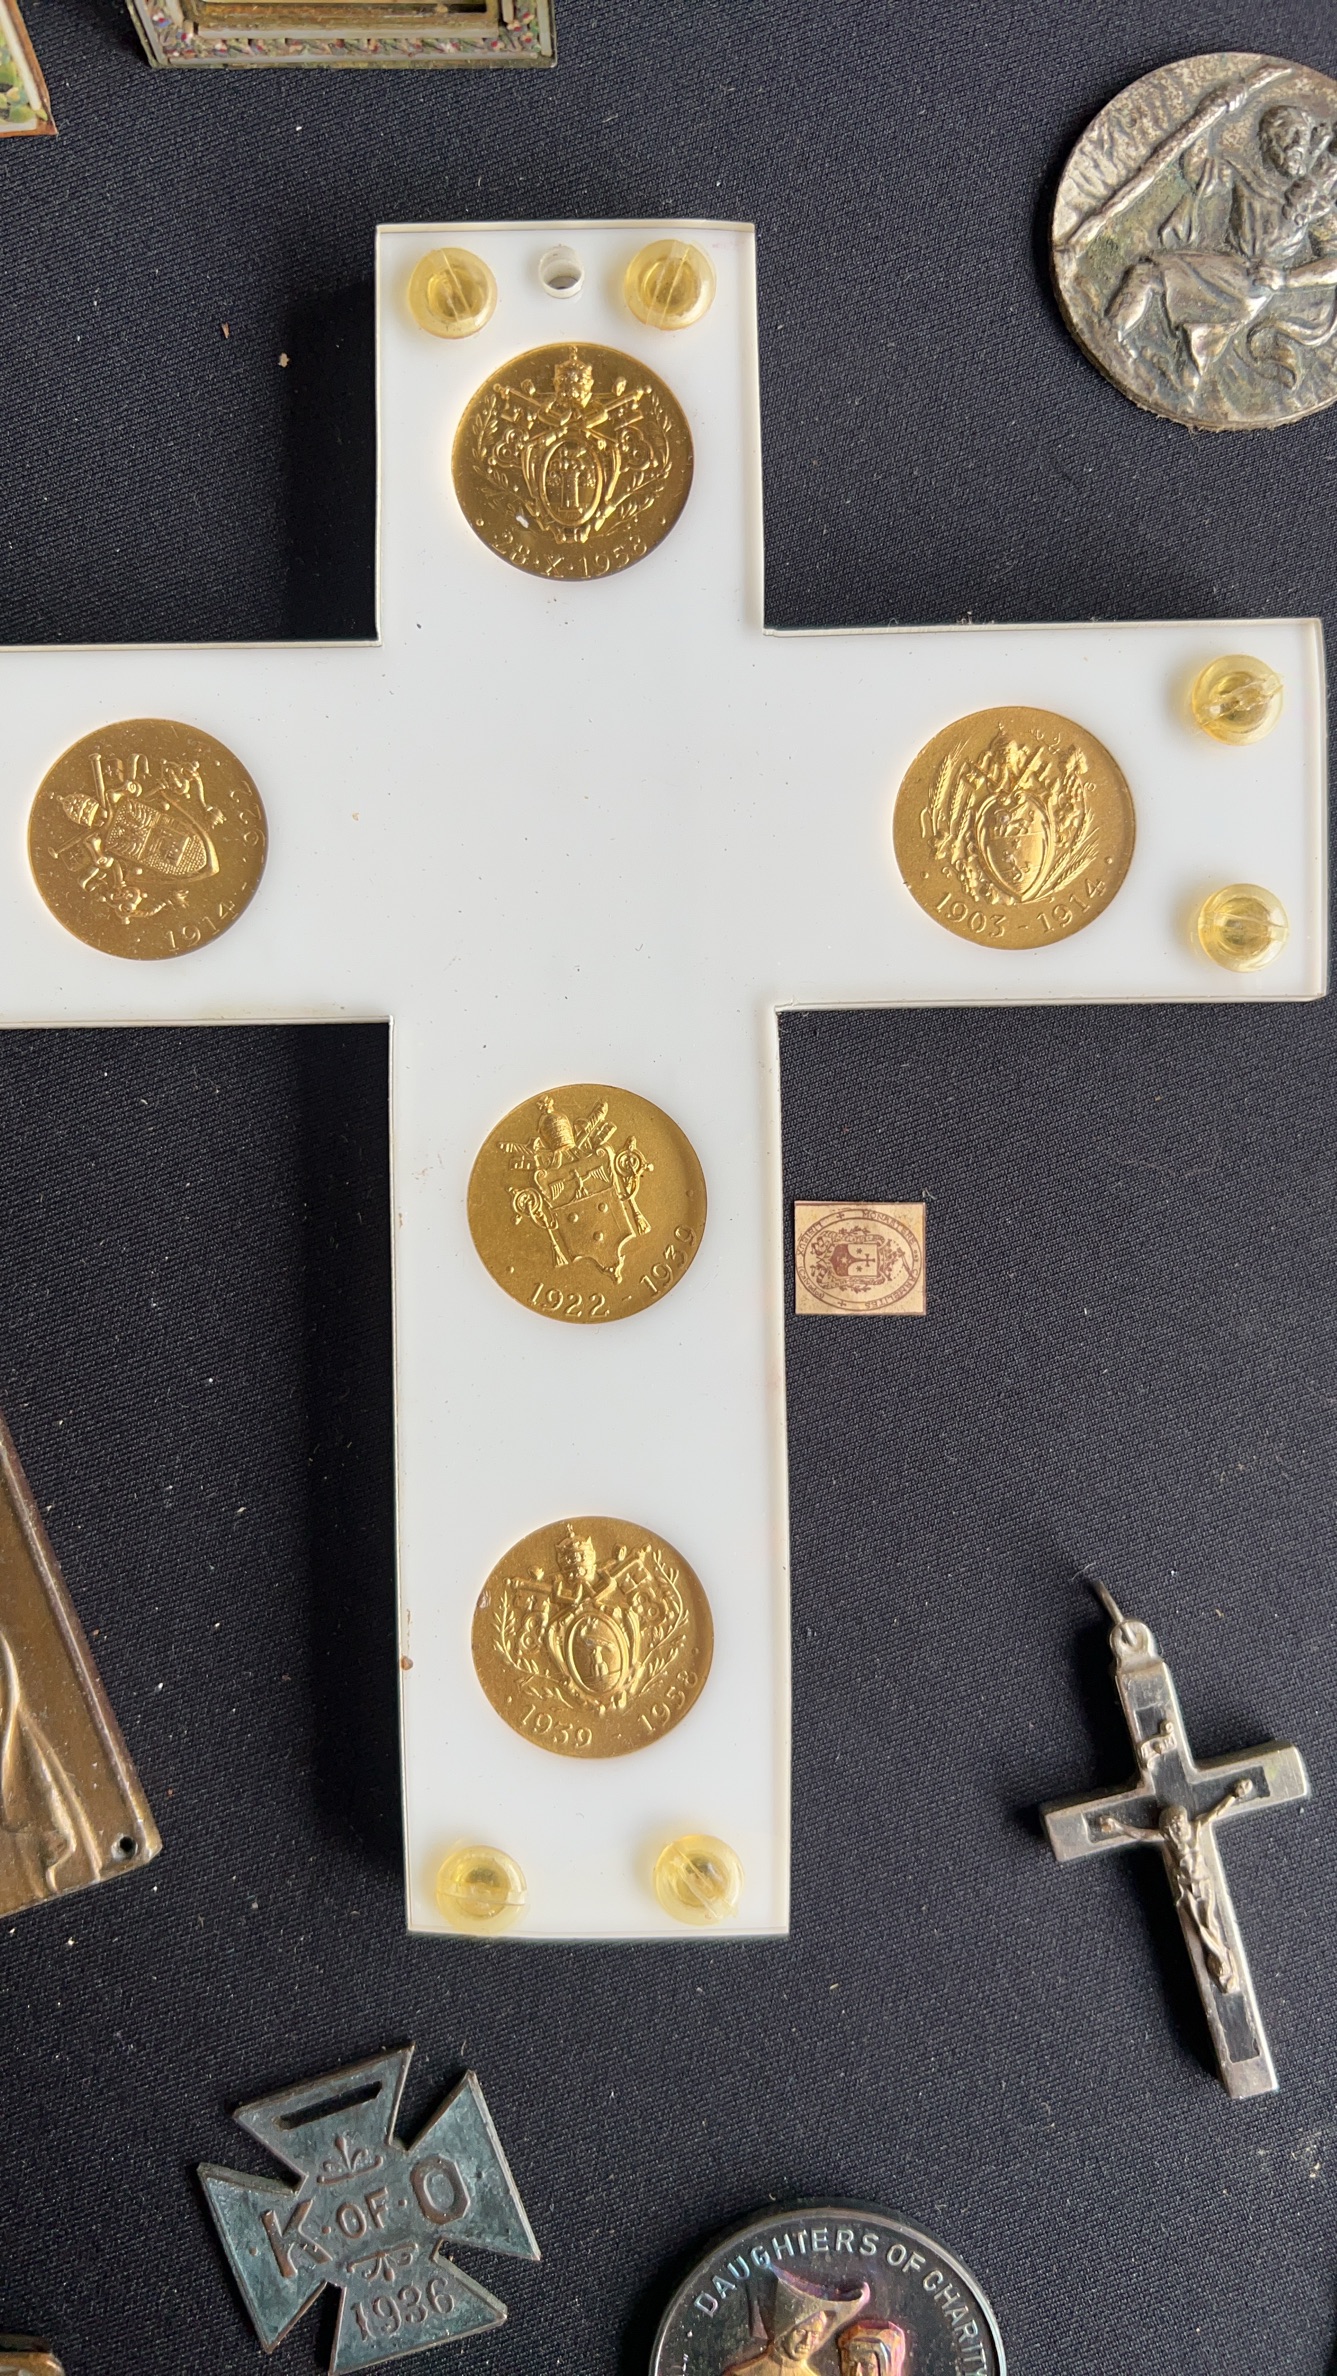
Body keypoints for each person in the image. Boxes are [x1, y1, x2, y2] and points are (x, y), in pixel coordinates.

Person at [1108, 103, 1337, 390]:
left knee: (1147, 276)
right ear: (1267, 142)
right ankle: (1165, 373)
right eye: (1288, 134)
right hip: (1231, 268)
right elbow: (1195, 171)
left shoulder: (1316, 204)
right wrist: (1207, 121)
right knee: (1195, 341)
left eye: (1302, 136)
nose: (1296, 144)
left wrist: (1286, 279)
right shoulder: (1243, 174)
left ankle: (1114, 337)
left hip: (1253, 282)